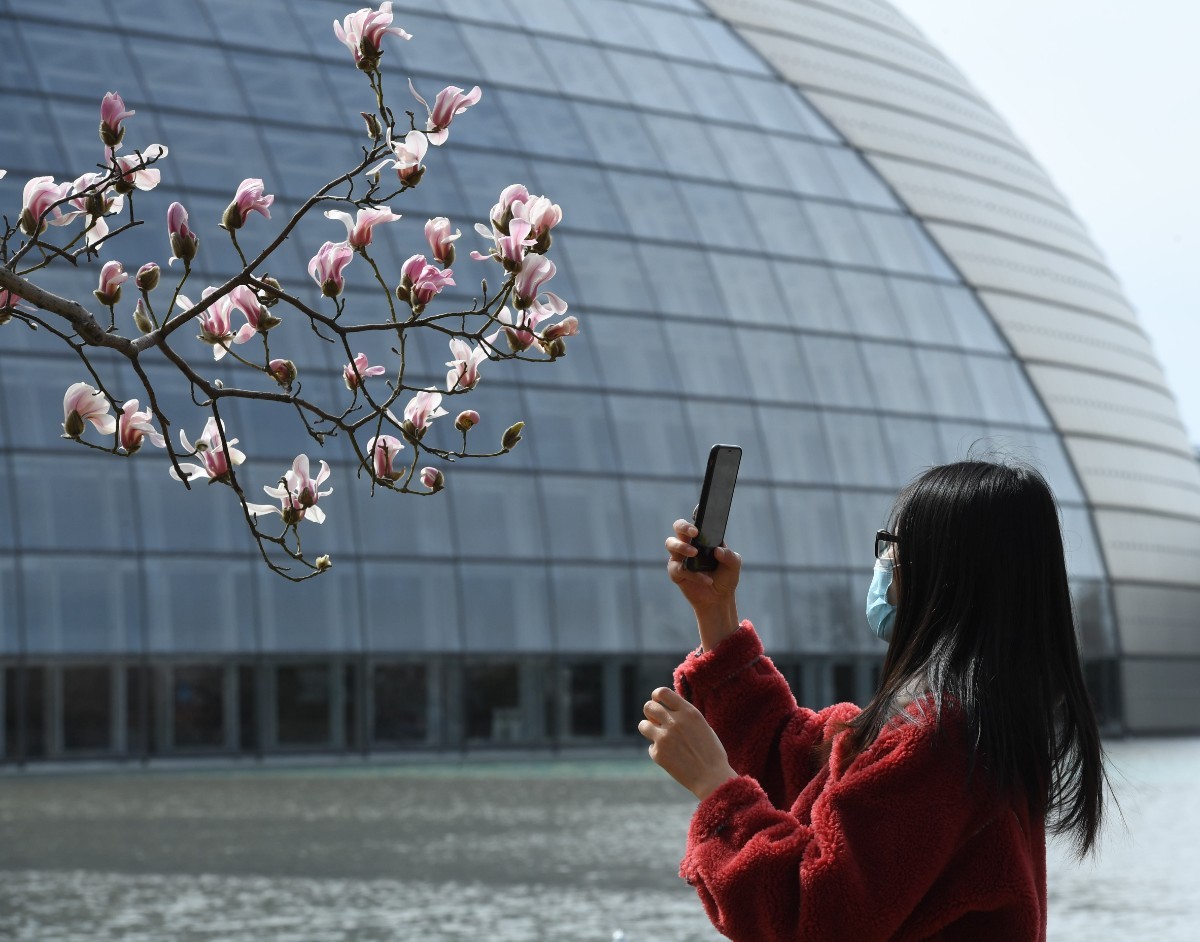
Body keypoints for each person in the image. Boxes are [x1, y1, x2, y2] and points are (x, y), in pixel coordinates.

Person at [639, 460, 1109, 941]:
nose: (885, 568)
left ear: (943, 570)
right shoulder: (967, 724)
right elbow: (804, 767)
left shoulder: (936, 741)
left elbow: (810, 916)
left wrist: (718, 791)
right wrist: (716, 613)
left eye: (894, 549)